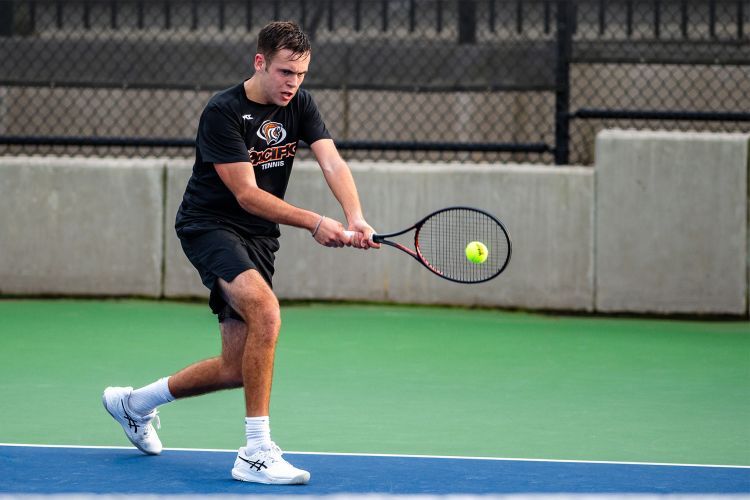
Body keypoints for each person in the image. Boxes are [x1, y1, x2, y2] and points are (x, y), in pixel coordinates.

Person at [103, 20, 378, 485]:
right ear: (260, 62)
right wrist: (315, 221)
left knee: (236, 368)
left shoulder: (301, 104)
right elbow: (247, 195)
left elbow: (331, 159)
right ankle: (255, 452)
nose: (293, 83)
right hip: (210, 225)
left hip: (258, 237)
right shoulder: (223, 112)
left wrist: (355, 217)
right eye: (285, 72)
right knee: (267, 315)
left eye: (302, 74)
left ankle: (134, 404)